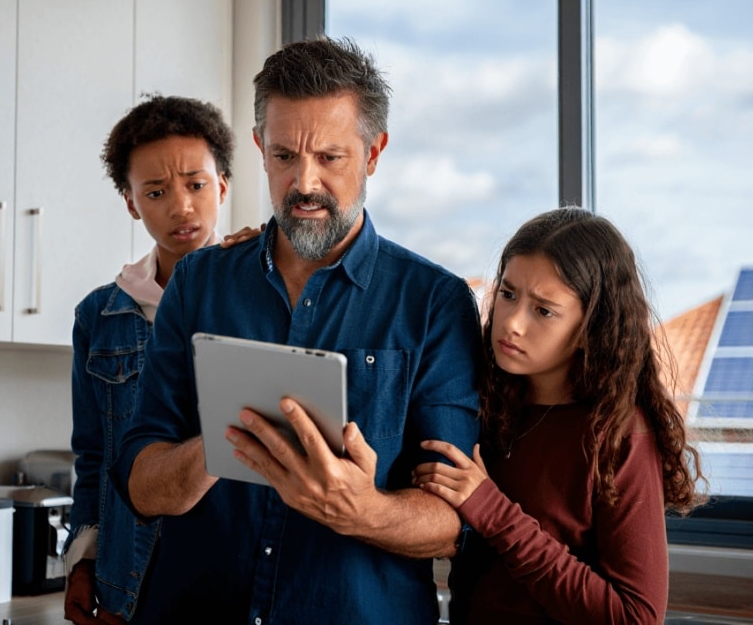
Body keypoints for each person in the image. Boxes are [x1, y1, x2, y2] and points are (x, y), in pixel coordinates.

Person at [111, 37, 483, 623]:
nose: (304, 183)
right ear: (260, 149)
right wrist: (223, 443)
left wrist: (362, 510)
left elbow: (457, 522)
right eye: (284, 156)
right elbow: (140, 484)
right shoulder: (197, 285)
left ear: (374, 152)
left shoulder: (435, 303)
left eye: (330, 158)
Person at [412, 206, 707, 624]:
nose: (511, 323)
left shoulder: (619, 435)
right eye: (508, 294)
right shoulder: (484, 405)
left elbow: (637, 617)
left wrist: (493, 512)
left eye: (543, 310)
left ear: (592, 327)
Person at [65, 94, 234, 625]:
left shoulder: (259, 294)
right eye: (156, 192)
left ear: (222, 186)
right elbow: (94, 454)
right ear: (132, 202)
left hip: (232, 579)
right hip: (132, 579)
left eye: (196, 184)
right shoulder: (101, 314)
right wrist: (84, 561)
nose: (181, 206)